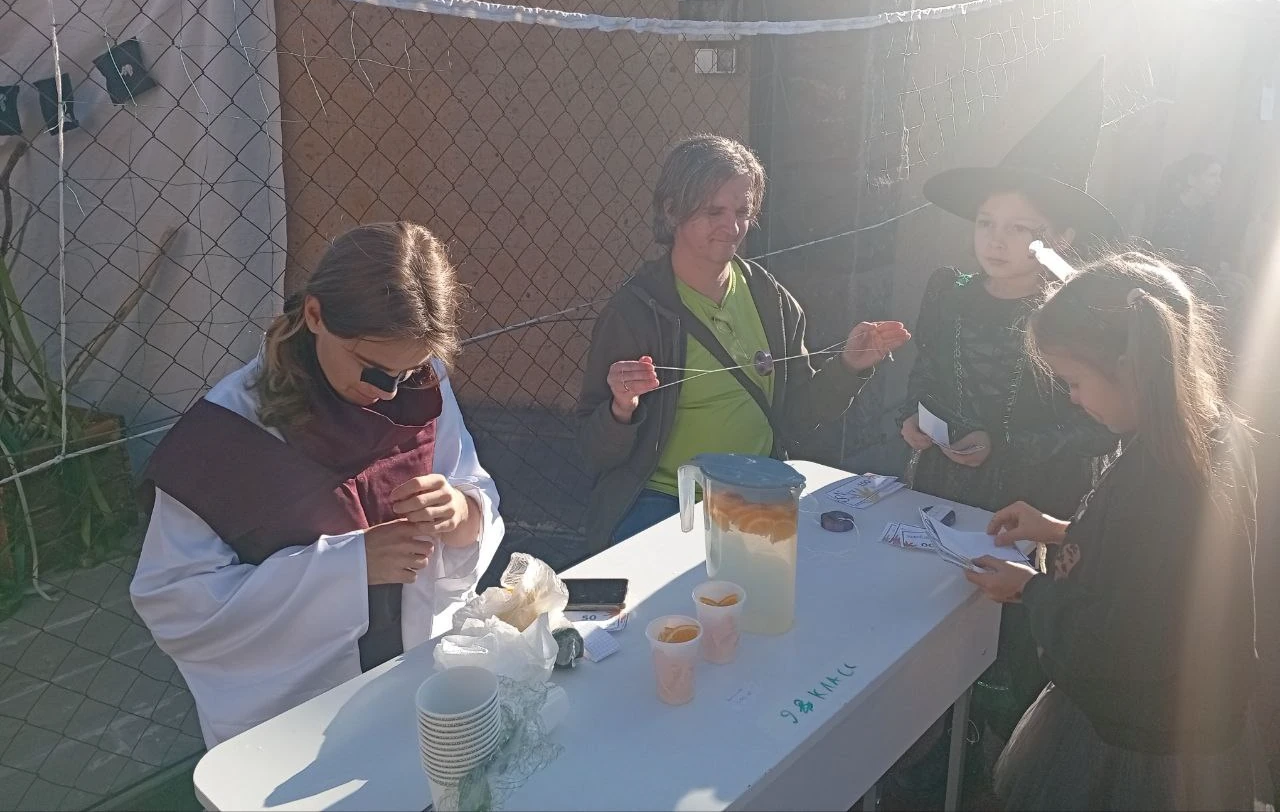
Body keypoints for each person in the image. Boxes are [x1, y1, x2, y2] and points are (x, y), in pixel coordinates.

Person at [131, 222, 504, 747]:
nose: (389, 391)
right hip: (297, 724)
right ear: (314, 315)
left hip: (416, 687)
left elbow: (471, 485)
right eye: (374, 368)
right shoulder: (227, 433)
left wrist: (463, 515)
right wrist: (348, 569)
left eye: (410, 369)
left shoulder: (419, 381)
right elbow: (176, 603)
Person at [967, 251, 1273, 811]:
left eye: (1075, 381)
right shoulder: (1206, 439)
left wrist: (1030, 590)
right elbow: (1154, 565)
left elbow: (1120, 642)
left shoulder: (1162, 478)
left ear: (1133, 365)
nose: (1074, 398)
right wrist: (1058, 530)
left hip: (1136, 747)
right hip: (1193, 723)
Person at [885, 162, 1123, 808]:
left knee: (1006, 654)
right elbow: (924, 375)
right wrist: (912, 419)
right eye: (987, 223)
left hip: (1028, 507)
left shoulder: (1075, 316)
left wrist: (1007, 446)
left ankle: (997, 774)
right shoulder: (947, 293)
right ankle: (923, 767)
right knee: (926, 638)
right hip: (941, 491)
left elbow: (1098, 430)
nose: (996, 241)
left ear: (1060, 238)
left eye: (1022, 229)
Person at [576, 135, 908, 553]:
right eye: (713, 210)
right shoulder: (634, 312)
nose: (732, 227)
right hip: (662, 505)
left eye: (742, 211)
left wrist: (849, 366)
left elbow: (799, 418)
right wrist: (620, 409)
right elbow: (592, 451)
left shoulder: (770, 298)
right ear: (672, 209)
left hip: (760, 494)